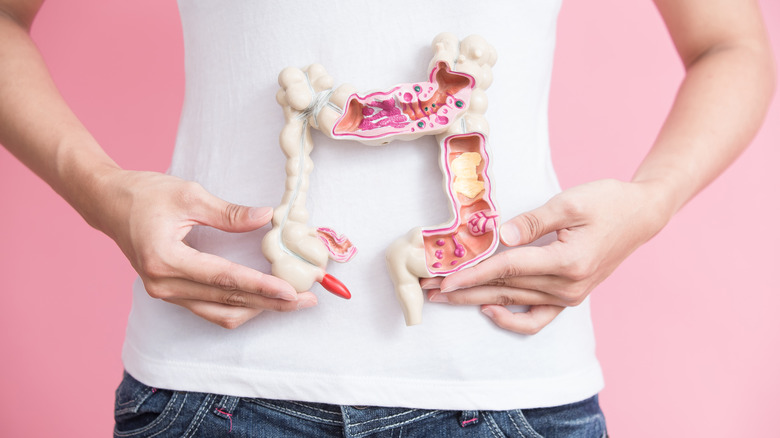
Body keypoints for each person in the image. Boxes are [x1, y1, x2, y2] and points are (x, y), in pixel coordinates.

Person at [0, 0, 774, 437]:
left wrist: (650, 202)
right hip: (215, 391)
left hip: (509, 392)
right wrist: (102, 192)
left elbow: (731, 43)